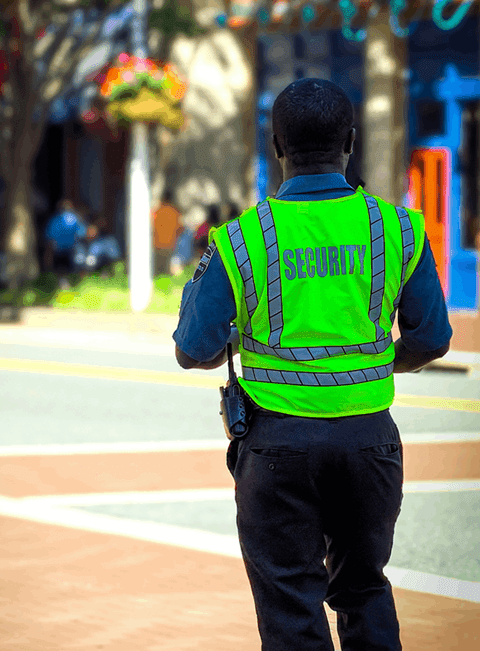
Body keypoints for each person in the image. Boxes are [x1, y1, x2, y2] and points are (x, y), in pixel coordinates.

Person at [172, 78, 452, 651]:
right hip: (370, 439)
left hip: (276, 446)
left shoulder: (241, 239)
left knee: (290, 605)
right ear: (350, 142)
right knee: (364, 590)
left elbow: (192, 350)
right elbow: (432, 338)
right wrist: (372, 364)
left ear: (277, 146)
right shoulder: (399, 228)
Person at [44, 200, 88, 283]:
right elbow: (83, 233)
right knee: (75, 270)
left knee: (61, 272)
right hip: (72, 249)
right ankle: (79, 285)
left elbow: (48, 237)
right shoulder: (76, 219)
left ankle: (63, 286)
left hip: (58, 250)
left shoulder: (54, 220)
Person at [153, 189, 182, 275]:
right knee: (166, 271)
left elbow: (152, 226)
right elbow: (180, 228)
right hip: (170, 244)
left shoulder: (157, 211)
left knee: (157, 270)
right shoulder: (175, 212)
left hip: (157, 244)